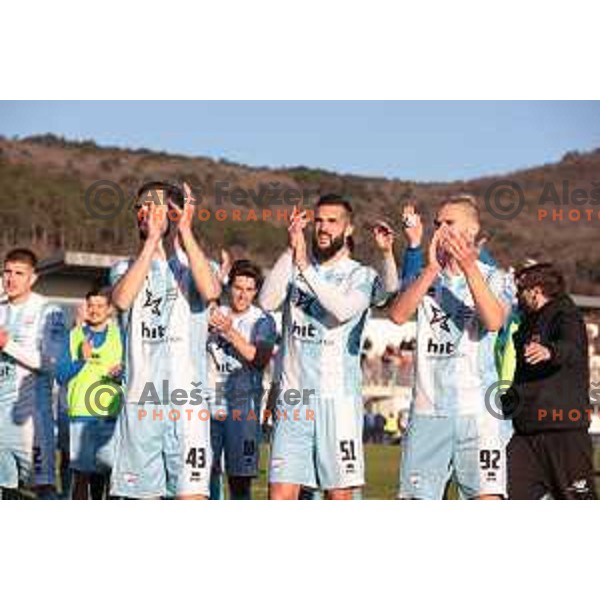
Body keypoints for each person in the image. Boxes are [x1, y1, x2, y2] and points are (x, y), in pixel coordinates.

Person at [260, 194, 394, 499]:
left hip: (337, 400)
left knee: (339, 496)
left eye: (332, 222)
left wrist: (304, 265)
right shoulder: (294, 268)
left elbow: (343, 309)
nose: (323, 227)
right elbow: (267, 301)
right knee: (279, 495)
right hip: (294, 398)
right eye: (318, 221)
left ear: (348, 229)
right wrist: (290, 246)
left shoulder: (362, 275)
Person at [389, 195, 514, 499]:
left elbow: (495, 320)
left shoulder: (496, 278)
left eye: (449, 223)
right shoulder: (426, 278)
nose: (441, 229)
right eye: (437, 224)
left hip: (479, 416)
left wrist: (470, 268)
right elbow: (397, 315)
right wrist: (431, 270)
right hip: (427, 412)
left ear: (472, 230)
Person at [109, 181, 220, 499]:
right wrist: (151, 244)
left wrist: (186, 231)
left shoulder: (196, 267)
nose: (144, 212)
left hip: (188, 407)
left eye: (153, 206)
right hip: (140, 405)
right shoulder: (124, 268)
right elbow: (121, 300)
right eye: (139, 207)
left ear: (173, 213)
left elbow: (212, 291)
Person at [504, 263, 597, 499]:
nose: (516, 296)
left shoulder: (567, 314)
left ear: (535, 291)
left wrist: (550, 351)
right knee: (505, 496)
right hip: (526, 435)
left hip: (565, 433)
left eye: (520, 290)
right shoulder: (526, 324)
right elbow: (524, 379)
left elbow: (573, 348)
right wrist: (504, 404)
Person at [207, 260, 277, 500]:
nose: (242, 295)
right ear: (230, 287)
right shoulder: (213, 314)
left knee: (239, 484)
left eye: (249, 289)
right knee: (203, 479)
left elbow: (258, 358)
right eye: (238, 288)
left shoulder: (263, 320)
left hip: (243, 410)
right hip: (210, 406)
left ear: (256, 291)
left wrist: (228, 331)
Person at [0, 248, 66, 499]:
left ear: (33, 278)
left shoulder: (49, 311)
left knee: (42, 489)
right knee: (6, 490)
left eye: (19, 273)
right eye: (7, 272)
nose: (11, 279)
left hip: (32, 420)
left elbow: (51, 362)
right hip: (1, 418)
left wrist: (8, 345)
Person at [56, 287, 123, 499]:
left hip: (111, 417)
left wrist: (123, 372)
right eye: (90, 305)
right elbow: (60, 375)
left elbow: (135, 372)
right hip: (80, 417)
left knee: (112, 477)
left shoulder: (121, 335)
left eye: (100, 306)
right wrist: (81, 360)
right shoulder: (73, 335)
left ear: (110, 309)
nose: (94, 310)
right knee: (81, 477)